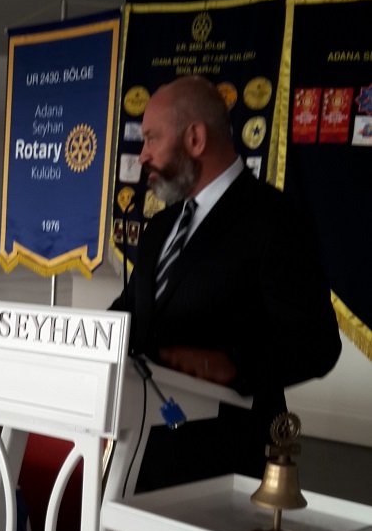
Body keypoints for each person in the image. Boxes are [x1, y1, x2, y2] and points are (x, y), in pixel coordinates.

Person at [111, 75, 342, 489]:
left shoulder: (274, 219)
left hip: (225, 466)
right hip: (142, 455)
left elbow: (317, 344)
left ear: (195, 138)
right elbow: (134, 312)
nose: (142, 155)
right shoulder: (161, 227)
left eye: (151, 138)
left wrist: (232, 364)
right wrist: (80, 340)